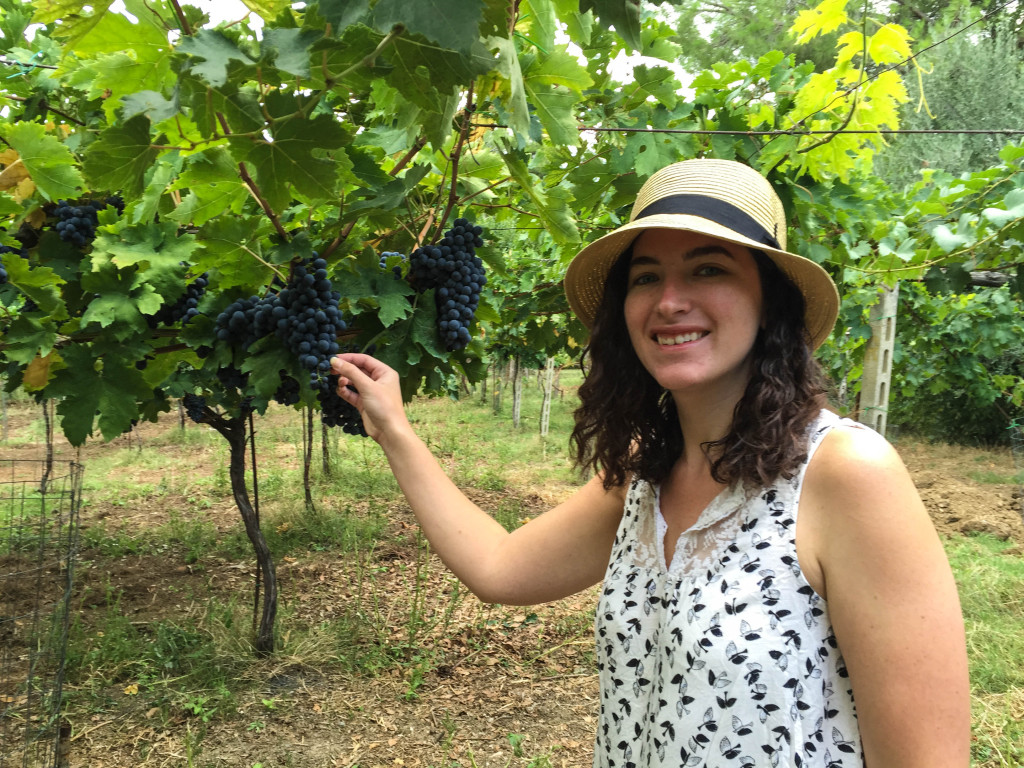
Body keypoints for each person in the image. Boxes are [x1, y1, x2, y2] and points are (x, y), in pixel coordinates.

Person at [331, 159, 970, 768]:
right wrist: (395, 429)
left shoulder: (844, 473)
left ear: (770, 302)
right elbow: (501, 571)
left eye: (708, 269)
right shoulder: (648, 472)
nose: (669, 301)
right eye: (645, 277)